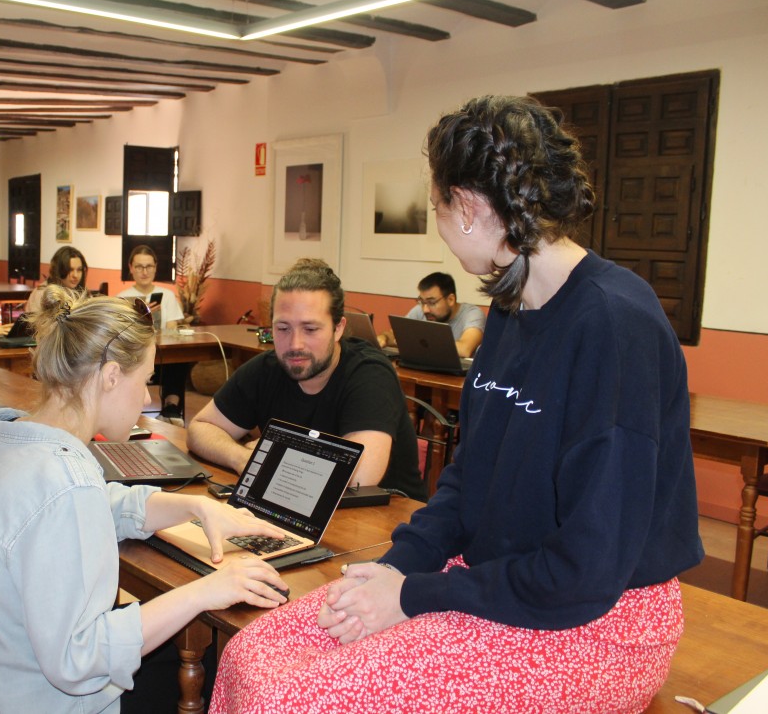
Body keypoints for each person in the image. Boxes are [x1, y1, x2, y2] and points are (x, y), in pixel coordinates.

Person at [209, 96, 704, 714]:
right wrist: (394, 570)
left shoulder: (615, 323)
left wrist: (414, 596)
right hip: (498, 580)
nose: (439, 225)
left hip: (597, 623)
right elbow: (468, 480)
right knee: (253, 656)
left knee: (301, 698)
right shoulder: (510, 307)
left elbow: (585, 572)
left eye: (439, 206)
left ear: (468, 207)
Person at [0, 285, 288, 713]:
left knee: (168, 633)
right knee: (216, 656)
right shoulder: (65, 483)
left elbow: (87, 507)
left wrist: (195, 506)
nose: (148, 398)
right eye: (146, 380)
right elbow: (79, 660)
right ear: (112, 376)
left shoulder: (2, 441)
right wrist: (205, 591)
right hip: (30, 701)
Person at [187, 259, 424, 501]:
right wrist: (243, 458)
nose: (295, 344)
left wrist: (273, 454)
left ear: (338, 328)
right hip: (294, 506)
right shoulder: (267, 368)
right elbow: (199, 429)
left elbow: (359, 479)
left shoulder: (370, 375)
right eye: (283, 328)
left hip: (386, 523)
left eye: (310, 329)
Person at [117, 245, 189, 425]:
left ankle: (171, 409)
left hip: (163, 356)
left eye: (149, 266)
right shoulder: (122, 298)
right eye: (139, 266)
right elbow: (119, 333)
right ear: (131, 268)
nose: (144, 271)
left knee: (179, 358)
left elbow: (172, 330)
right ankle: (128, 411)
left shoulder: (167, 295)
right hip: (137, 356)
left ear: (155, 268)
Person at [377, 271, 485, 358]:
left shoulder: (472, 314)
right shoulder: (420, 311)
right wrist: (384, 338)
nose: (425, 309)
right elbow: (396, 336)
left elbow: (464, 349)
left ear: (451, 299)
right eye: (422, 302)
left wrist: (417, 342)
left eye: (432, 302)